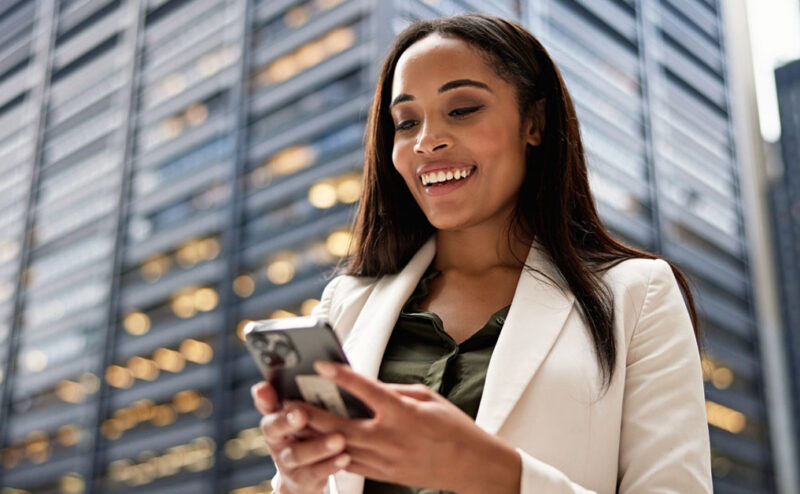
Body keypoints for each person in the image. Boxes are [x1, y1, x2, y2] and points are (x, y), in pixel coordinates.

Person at [251, 12, 713, 494]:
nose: (427, 141)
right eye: (406, 121)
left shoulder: (638, 293)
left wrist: (494, 473)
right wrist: (298, 478)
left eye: (463, 109)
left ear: (533, 122)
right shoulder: (347, 302)